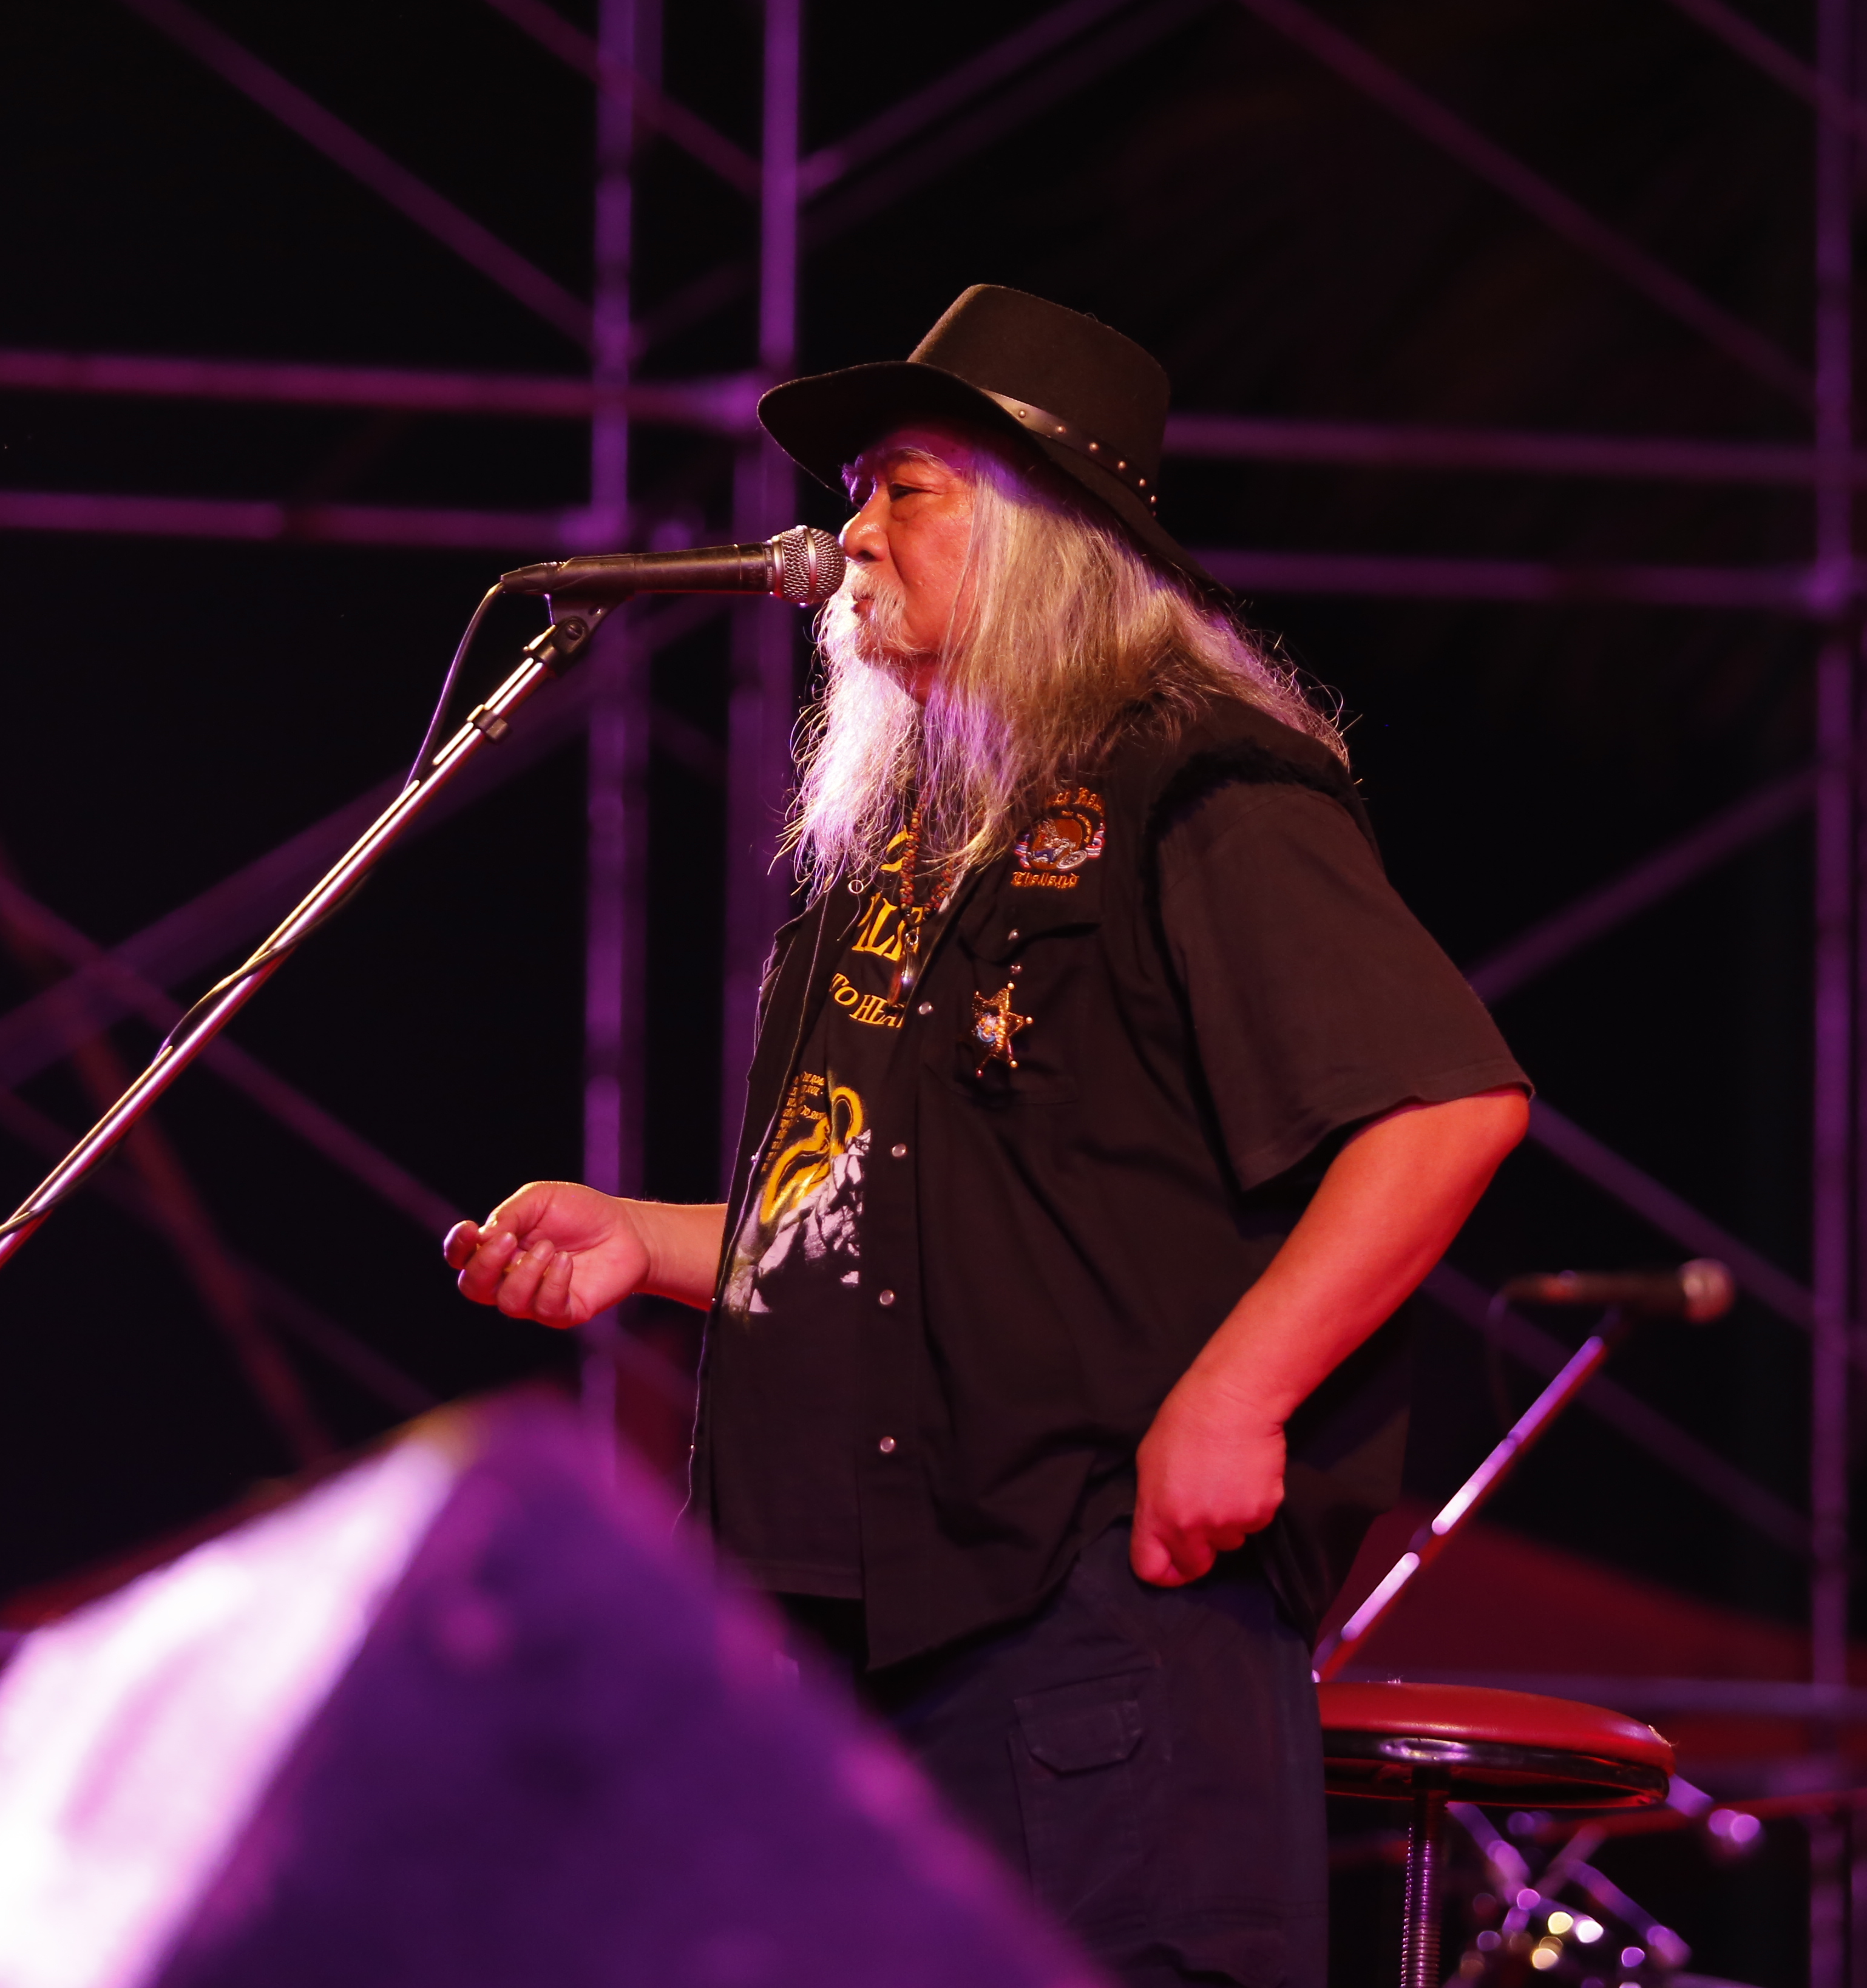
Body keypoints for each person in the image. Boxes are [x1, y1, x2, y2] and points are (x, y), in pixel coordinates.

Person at [443, 284, 1531, 1987]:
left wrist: (1236, 1397)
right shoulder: (909, 840)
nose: (851, 538)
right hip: (843, 1645)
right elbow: (903, 1230)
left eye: (906, 491)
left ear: (1043, 534)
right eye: (854, 495)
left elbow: (1443, 1103)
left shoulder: (1198, 779)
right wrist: (644, 1242)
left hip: (1087, 1632)